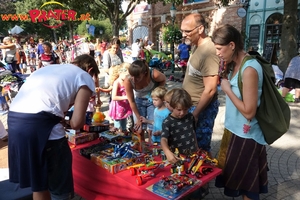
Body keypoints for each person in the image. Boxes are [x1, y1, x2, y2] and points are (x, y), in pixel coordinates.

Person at [7, 54, 100, 200]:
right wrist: (69, 122)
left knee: (39, 184)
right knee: (60, 189)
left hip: (15, 122)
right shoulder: (84, 76)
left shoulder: (49, 69)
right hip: (41, 126)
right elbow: (76, 124)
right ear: (90, 70)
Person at [211, 24, 268, 199]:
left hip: (247, 137)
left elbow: (249, 112)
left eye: (220, 48)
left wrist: (227, 89)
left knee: (248, 187)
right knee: (242, 183)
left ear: (232, 45)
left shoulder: (249, 69)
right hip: (235, 132)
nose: (218, 53)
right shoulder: (236, 64)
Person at [181, 13, 220, 155]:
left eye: (187, 31)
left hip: (200, 108)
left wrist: (195, 114)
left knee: (200, 150)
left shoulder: (209, 51)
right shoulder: (196, 45)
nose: (184, 34)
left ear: (200, 29)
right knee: (191, 147)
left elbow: (210, 89)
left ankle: (205, 177)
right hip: (190, 106)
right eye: (182, 31)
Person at [124, 60, 166, 136]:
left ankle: (153, 145)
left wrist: (157, 93)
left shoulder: (154, 74)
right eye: (131, 75)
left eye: (137, 77)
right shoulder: (128, 80)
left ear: (144, 73)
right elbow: (132, 101)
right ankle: (141, 146)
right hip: (139, 101)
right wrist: (138, 118)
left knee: (153, 128)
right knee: (139, 128)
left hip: (153, 101)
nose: (133, 79)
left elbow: (163, 79)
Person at [161, 88, 198, 163]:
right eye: (179, 110)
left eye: (185, 109)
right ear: (172, 105)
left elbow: (193, 133)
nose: (182, 113)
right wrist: (167, 152)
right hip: (178, 158)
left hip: (193, 155)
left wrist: (197, 148)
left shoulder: (190, 117)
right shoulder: (167, 122)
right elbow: (163, 139)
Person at [108, 63, 133, 131]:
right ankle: (118, 139)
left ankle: (124, 137)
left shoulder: (126, 81)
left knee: (124, 127)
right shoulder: (117, 82)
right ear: (121, 72)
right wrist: (126, 97)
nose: (128, 77)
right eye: (127, 75)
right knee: (118, 127)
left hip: (124, 107)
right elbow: (114, 97)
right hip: (118, 108)